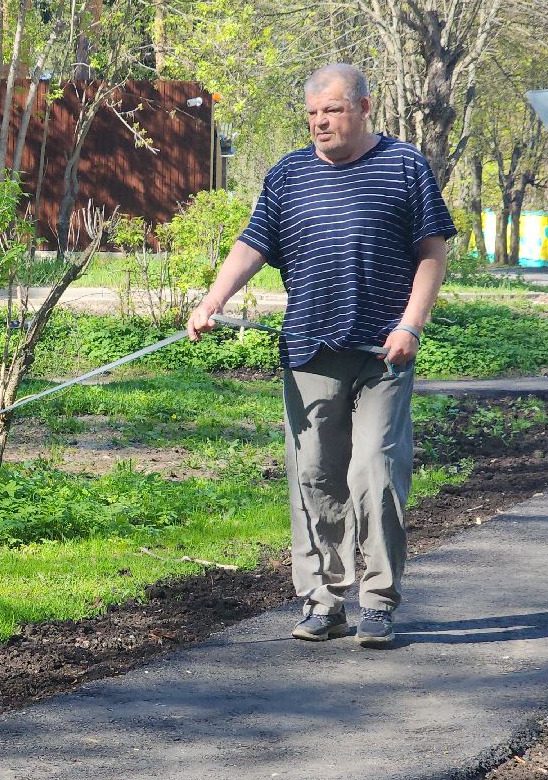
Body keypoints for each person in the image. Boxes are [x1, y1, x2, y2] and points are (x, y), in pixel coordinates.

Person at [187, 63, 454, 648]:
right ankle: (324, 600)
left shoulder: (403, 165)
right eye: (312, 114)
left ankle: (378, 601)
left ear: (364, 107)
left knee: (375, 471)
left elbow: (432, 253)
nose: (320, 122)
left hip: (383, 351)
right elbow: (252, 245)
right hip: (309, 349)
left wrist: (412, 324)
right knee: (314, 476)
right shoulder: (289, 174)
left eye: (331, 110)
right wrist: (212, 301)